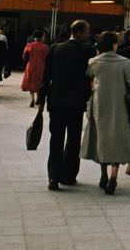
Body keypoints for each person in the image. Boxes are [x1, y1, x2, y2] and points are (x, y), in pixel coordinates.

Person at [81, 32, 130, 195]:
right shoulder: (125, 62)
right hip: (120, 107)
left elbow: (89, 77)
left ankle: (103, 175)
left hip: (99, 106)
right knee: (116, 139)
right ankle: (113, 177)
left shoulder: (93, 62)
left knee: (101, 139)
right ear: (114, 44)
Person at [39, 19, 94, 191]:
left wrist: (41, 100)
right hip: (76, 103)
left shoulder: (55, 48)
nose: (88, 35)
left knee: (56, 139)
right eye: (86, 31)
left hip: (56, 101)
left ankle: (53, 177)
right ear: (77, 32)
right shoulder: (87, 50)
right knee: (73, 139)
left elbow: (46, 76)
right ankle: (68, 175)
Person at [21, 30, 50, 107]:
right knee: (39, 83)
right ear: (41, 37)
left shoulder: (29, 45)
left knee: (31, 83)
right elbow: (48, 58)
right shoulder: (46, 47)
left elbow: (24, 57)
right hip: (41, 67)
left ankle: (32, 99)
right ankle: (38, 98)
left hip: (31, 66)